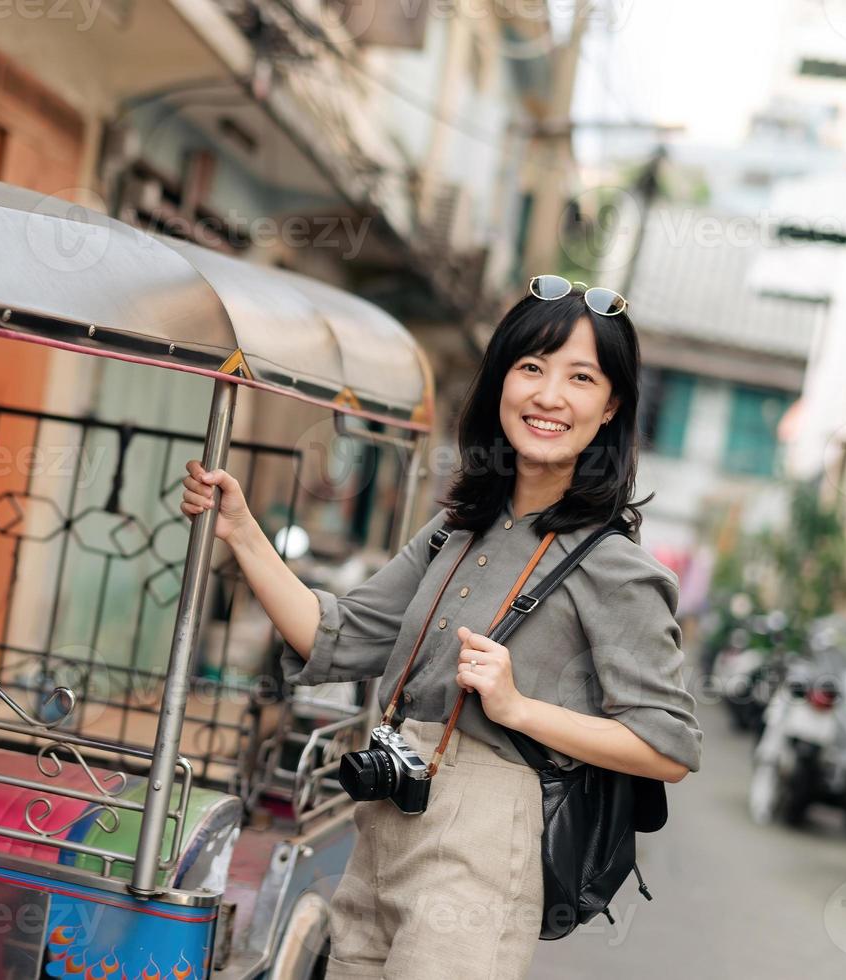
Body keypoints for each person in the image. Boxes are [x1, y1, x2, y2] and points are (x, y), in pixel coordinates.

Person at [180, 280, 703, 979]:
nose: (550, 395)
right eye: (532, 367)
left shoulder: (616, 568)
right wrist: (242, 532)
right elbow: (334, 635)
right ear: (500, 384)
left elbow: (666, 745)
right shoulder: (455, 532)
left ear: (610, 407)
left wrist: (520, 709)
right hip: (381, 829)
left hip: (484, 847)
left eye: (581, 378)